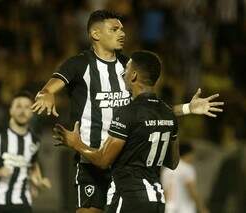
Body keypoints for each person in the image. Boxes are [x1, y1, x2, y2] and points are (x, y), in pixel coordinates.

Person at [31, 10, 223, 213]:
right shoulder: (79, 64)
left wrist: (187, 108)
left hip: (124, 165)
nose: (122, 33)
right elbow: (50, 87)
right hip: (91, 161)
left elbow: (149, 112)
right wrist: (46, 94)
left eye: (122, 29)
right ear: (95, 34)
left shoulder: (129, 67)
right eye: (114, 29)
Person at [53, 50, 179, 213]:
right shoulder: (169, 113)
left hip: (128, 197)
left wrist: (77, 143)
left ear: (133, 75)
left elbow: (103, 160)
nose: (122, 73)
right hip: (156, 200)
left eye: (126, 69)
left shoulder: (127, 113)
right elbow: (173, 162)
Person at [161, 142, 209, 213]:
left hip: (169, 208)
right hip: (184, 209)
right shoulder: (187, 168)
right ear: (188, 154)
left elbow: (164, 191)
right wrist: (202, 209)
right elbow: (192, 191)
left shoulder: (167, 170)